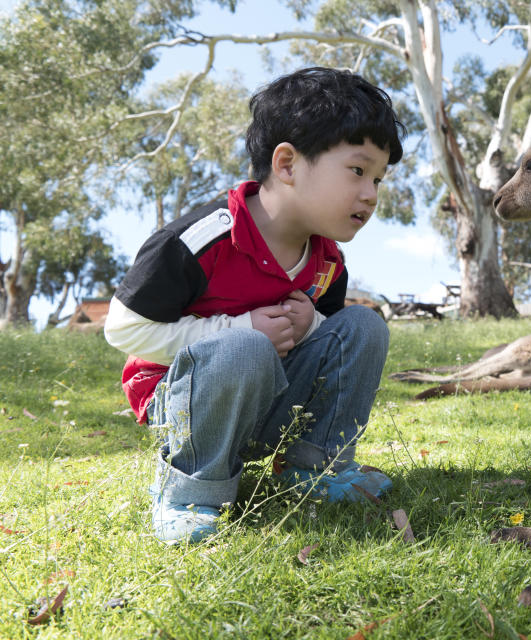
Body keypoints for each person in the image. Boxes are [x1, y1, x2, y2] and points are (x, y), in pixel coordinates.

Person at [104, 66, 405, 545]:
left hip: (270, 399)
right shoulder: (201, 240)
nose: (370, 194)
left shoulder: (328, 260)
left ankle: (315, 468)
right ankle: (189, 490)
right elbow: (123, 330)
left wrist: (311, 325)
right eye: (357, 170)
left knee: (362, 326)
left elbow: (328, 344)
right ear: (286, 164)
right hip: (183, 403)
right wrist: (238, 327)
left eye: (378, 179)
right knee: (243, 346)